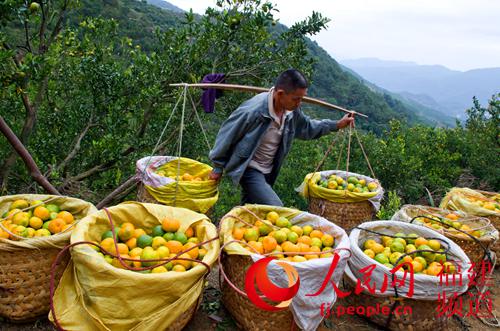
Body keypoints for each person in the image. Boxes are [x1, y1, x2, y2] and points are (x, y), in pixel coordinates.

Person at [208, 69, 355, 206]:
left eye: (302, 99)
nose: (299, 103)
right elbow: (227, 134)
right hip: (250, 167)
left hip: (269, 169)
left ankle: (232, 228)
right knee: (276, 207)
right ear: (280, 94)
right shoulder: (253, 111)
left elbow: (307, 127)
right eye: (296, 99)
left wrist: (337, 124)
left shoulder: (291, 111)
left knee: (251, 208)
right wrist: (218, 167)